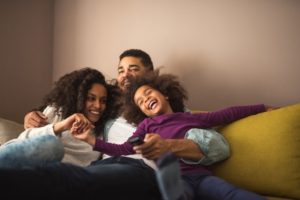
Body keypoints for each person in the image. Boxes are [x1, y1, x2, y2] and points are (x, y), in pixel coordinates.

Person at [5, 49, 228, 199]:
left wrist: (168, 145)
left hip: (141, 170)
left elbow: (219, 147)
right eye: (120, 70)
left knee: (71, 178)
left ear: (149, 74)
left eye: (133, 69)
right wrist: (32, 115)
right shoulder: (107, 108)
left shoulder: (168, 110)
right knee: (66, 171)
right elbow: (71, 102)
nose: (124, 75)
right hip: (104, 167)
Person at [72, 71, 268, 200]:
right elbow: (123, 149)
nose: (145, 99)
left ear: (164, 94)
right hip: (177, 178)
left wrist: (263, 108)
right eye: (140, 102)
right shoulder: (147, 125)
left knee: (231, 193)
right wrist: (91, 140)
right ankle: (169, 183)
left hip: (200, 176)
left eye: (148, 93)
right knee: (178, 193)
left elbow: (228, 113)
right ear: (142, 112)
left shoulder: (191, 117)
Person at [0, 67, 121, 168]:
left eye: (103, 101)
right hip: (16, 158)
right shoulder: (57, 111)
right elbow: (24, 140)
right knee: (53, 146)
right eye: (91, 98)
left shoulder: (101, 131)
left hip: (49, 176)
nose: (98, 106)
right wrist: (61, 126)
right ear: (78, 97)